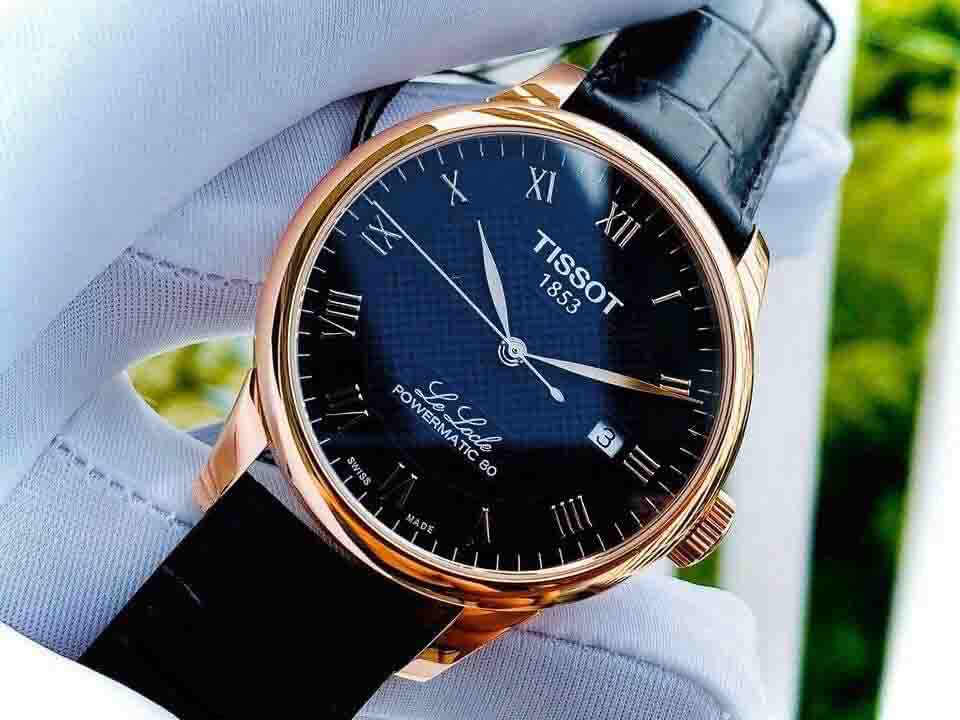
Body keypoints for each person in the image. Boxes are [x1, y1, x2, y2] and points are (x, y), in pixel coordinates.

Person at [0, 2, 849, 718]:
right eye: (510, 340)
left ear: (686, 513)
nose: (511, 352)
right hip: (307, 464)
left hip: (418, 557)